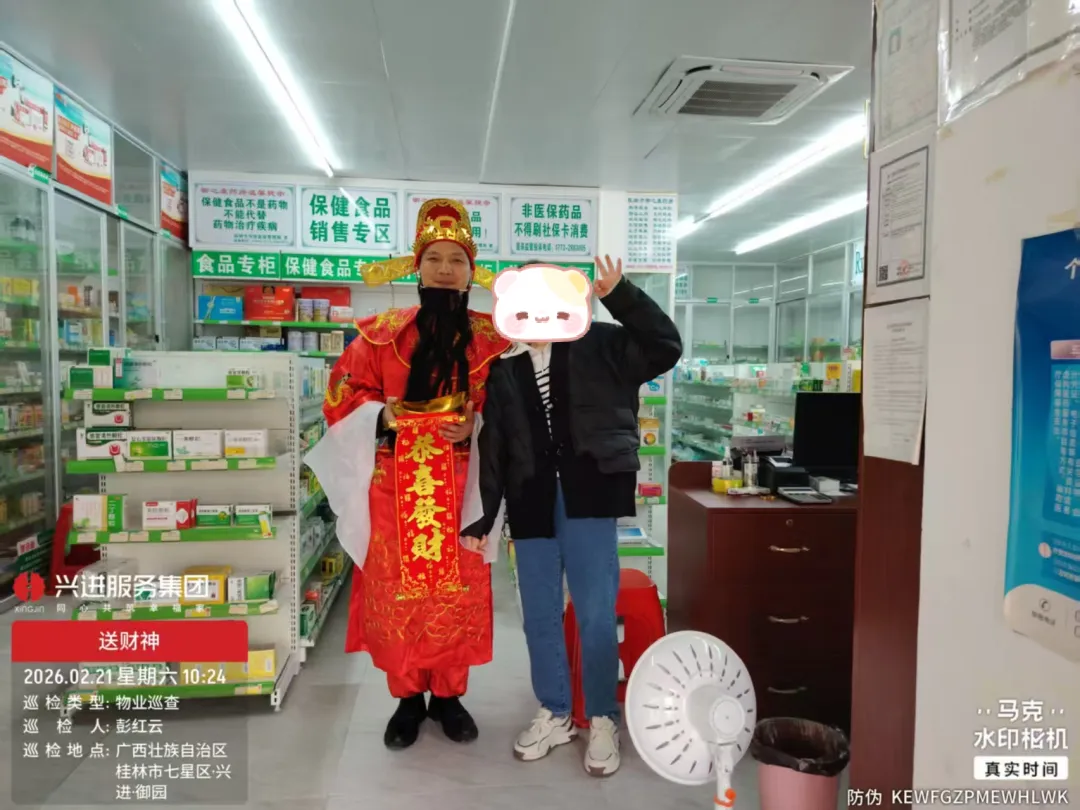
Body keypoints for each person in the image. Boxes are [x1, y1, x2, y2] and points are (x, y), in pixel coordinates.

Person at [461, 256, 682, 776]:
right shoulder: (505, 369)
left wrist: (620, 295)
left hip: (590, 494)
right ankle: (555, 710)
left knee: (595, 611)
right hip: (530, 501)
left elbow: (665, 346)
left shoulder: (603, 345)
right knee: (538, 614)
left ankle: (602, 717)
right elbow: (494, 450)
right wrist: (483, 520)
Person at [305, 199, 508, 751]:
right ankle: (407, 699)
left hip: (463, 493)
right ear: (417, 268)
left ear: (471, 272)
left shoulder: (493, 340)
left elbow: (511, 412)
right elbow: (340, 397)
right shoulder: (379, 335)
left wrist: (476, 426)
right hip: (395, 491)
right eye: (434, 258)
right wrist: (381, 415)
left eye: (457, 260)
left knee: (455, 595)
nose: (445, 269)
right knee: (400, 597)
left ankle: (450, 697)